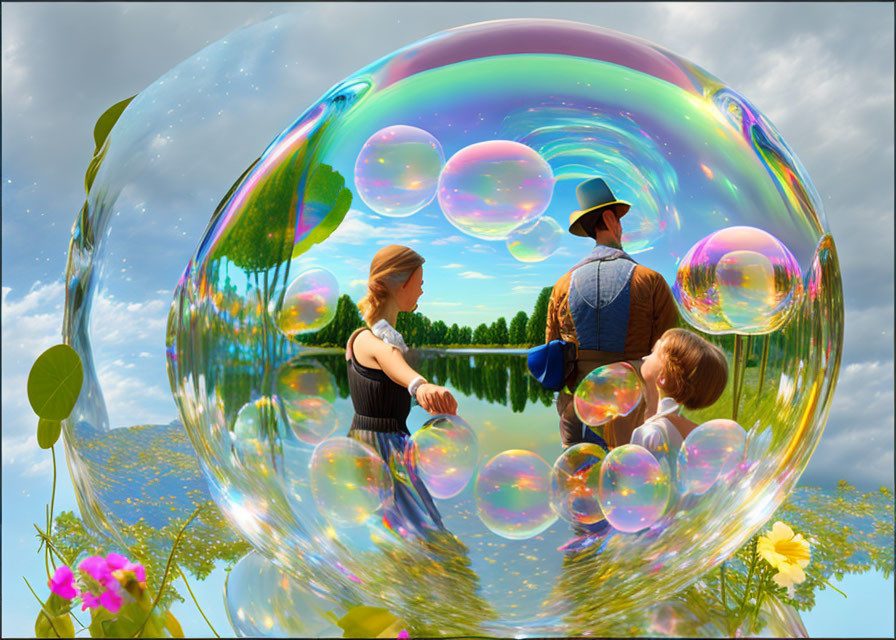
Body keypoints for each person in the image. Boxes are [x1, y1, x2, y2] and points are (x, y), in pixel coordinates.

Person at [546, 177, 679, 450]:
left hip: (579, 417)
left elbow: (552, 353)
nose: (621, 227)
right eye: (619, 220)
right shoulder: (650, 280)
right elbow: (669, 352)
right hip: (635, 420)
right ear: (609, 219)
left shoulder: (561, 285)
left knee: (580, 485)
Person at [345, 245, 458, 535]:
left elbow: (390, 383)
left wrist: (424, 402)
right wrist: (420, 386)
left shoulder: (387, 338)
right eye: (419, 284)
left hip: (393, 444)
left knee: (415, 527)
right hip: (377, 449)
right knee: (419, 531)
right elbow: (391, 361)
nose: (421, 292)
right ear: (400, 283)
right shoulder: (365, 339)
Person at [631, 328, 729, 470]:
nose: (645, 357)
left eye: (653, 352)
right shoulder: (697, 434)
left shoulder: (650, 434)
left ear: (663, 377)